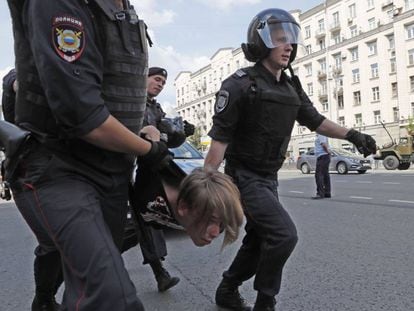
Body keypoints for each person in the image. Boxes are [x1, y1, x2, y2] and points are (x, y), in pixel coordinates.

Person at [204, 8, 377, 311]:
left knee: (260, 239)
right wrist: (209, 193)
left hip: (268, 178)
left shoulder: (290, 86)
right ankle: (266, 301)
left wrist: (354, 135)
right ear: (260, 42)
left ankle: (228, 288)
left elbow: (316, 121)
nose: (289, 46)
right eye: (280, 39)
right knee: (284, 235)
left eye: (292, 40)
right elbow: (219, 142)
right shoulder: (239, 84)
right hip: (243, 176)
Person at [6, 1, 171, 310]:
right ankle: (44, 298)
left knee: (93, 277)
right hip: (57, 166)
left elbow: (110, 98)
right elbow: (82, 114)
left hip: (111, 173)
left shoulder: (124, 11)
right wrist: (149, 151)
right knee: (110, 296)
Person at [122, 67, 194, 292]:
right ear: (143, 78)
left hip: (145, 170)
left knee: (147, 217)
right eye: (156, 79)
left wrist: (182, 133)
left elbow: (165, 139)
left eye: (163, 81)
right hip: (123, 167)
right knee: (137, 220)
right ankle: (98, 260)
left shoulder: (156, 108)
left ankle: (159, 273)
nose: (160, 84)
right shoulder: (130, 99)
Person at [2, 68, 64, 311]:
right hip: (29, 176)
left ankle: (46, 298)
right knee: (53, 242)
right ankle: (44, 300)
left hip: (64, 173)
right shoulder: (18, 75)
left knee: (79, 241)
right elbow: (18, 84)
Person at [312, 133, 331, 199]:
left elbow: (323, 144)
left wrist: (328, 151)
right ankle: (327, 192)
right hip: (324, 156)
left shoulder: (321, 134)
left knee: (319, 175)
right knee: (325, 175)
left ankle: (320, 193)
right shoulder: (322, 134)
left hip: (322, 156)